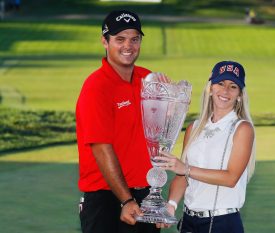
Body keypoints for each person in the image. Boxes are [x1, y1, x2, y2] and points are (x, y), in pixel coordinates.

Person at [76, 10, 165, 233]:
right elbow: (101, 148)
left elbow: (159, 133)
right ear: (104, 42)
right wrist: (126, 200)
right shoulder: (96, 87)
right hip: (107, 199)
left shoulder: (148, 79)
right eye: (120, 39)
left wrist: (173, 106)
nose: (128, 46)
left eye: (135, 39)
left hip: (145, 195)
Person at [156, 61, 256, 233]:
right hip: (188, 221)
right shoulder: (194, 128)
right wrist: (171, 204)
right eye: (220, 83)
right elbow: (182, 176)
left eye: (233, 86)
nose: (225, 91)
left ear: (239, 94)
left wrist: (186, 168)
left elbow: (230, 178)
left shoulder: (242, 128)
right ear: (210, 88)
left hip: (222, 223)